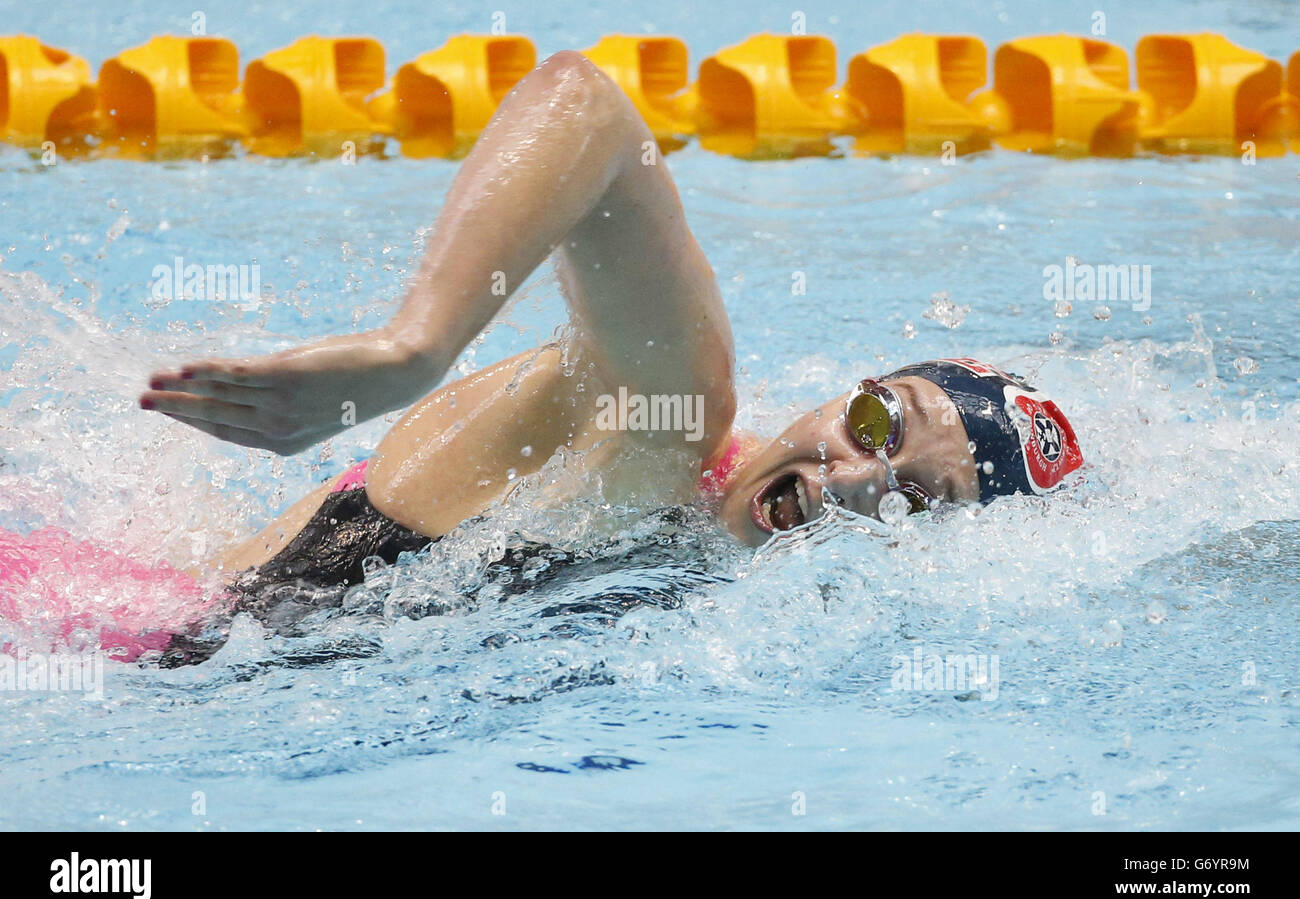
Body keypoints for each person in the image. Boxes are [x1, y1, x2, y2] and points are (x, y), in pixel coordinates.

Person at [139, 52, 1084, 620]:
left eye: (915, 503)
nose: (855, 479)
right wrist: (413, 351)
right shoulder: (666, 429)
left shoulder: (714, 576)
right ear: (846, 390)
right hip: (113, 646)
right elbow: (585, 103)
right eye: (878, 424)